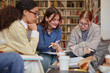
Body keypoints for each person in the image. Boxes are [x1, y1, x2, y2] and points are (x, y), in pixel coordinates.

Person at [0, 0, 44, 73]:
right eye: (35, 13)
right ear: (25, 12)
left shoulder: (21, 25)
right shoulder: (16, 26)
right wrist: (34, 31)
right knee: (34, 62)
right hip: (4, 56)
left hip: (8, 55)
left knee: (34, 62)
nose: (37, 17)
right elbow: (30, 51)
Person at [37, 7, 63, 72]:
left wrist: (57, 47)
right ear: (46, 18)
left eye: (58, 20)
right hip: (42, 53)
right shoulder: (39, 28)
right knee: (45, 60)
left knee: (59, 63)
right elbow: (39, 47)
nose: (56, 22)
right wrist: (52, 46)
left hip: (53, 54)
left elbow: (56, 46)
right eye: (54, 20)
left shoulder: (59, 30)